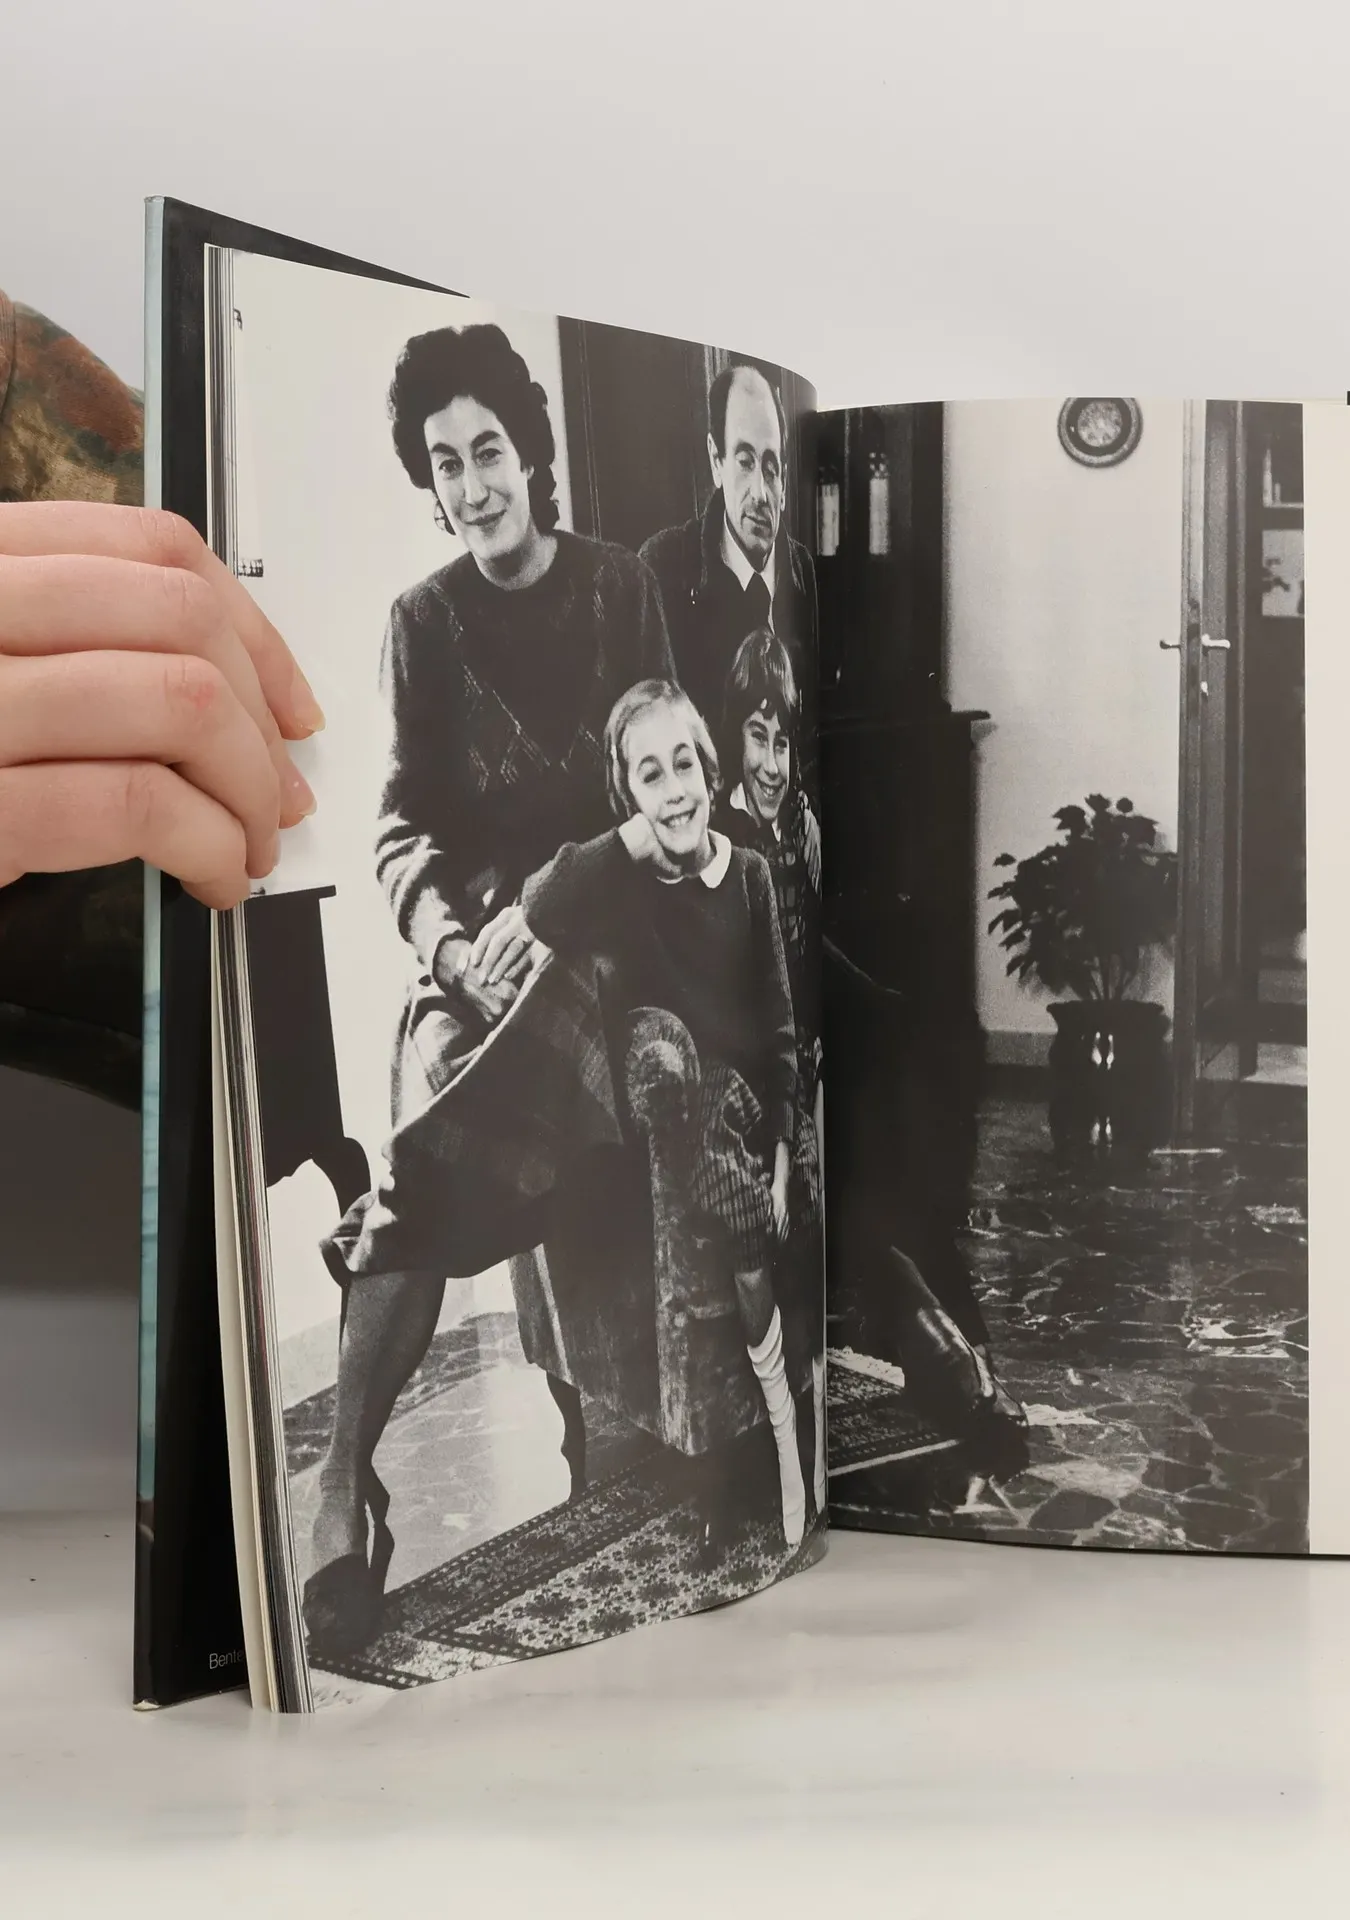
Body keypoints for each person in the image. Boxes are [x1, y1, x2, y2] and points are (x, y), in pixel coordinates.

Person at [302, 322, 678, 1651]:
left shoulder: (622, 588)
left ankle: (341, 1488)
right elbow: (400, 829)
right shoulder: (421, 623)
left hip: (606, 932)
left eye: (489, 452)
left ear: (532, 455)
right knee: (448, 1060)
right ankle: (354, 1471)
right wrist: (451, 948)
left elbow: (664, 788)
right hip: (473, 955)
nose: (472, 484)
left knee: (521, 1048)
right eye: (447, 462)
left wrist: (547, 907)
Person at [522, 679, 814, 1551]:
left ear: (712, 773)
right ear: (630, 800)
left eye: (684, 765)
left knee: (786, 1197)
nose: (675, 790)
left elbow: (781, 1027)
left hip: (756, 1109)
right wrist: (627, 842)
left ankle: (794, 1410)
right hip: (691, 1114)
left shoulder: (748, 874)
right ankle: (778, 1429)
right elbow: (541, 903)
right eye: (649, 776)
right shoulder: (628, 886)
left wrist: (787, 1149)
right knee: (738, 1202)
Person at [719, 626, 825, 1508]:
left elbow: (809, 954)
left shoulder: (796, 833)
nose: (773, 762)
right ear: (731, 738)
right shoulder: (717, 842)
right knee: (760, 1232)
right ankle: (770, 1431)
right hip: (742, 1079)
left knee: (811, 1230)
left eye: (783, 742)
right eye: (757, 737)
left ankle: (807, 1420)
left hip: (796, 1066)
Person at [636, 362, 819, 763]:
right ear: (715, 461)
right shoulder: (662, 569)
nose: (761, 493)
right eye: (745, 461)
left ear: (785, 481)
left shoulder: (803, 571)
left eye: (771, 468)